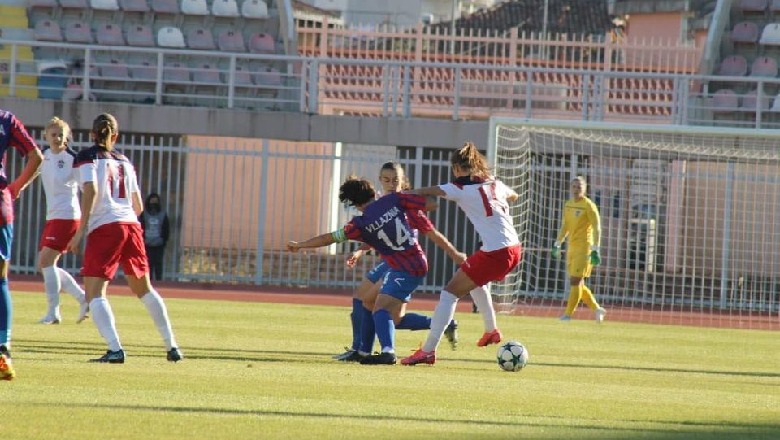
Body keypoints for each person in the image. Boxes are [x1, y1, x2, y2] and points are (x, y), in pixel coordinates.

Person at [67, 113, 182, 364]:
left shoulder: (86, 157)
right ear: (115, 136)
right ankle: (172, 345)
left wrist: (80, 230)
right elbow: (138, 205)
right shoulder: (125, 161)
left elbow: (91, 190)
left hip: (106, 227)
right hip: (131, 224)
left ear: (92, 134)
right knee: (145, 290)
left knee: (94, 294)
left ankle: (115, 349)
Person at [288, 175, 436, 365]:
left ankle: (388, 352)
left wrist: (301, 245)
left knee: (381, 309)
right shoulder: (393, 200)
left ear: (354, 204)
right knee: (368, 301)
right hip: (411, 262)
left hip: (405, 267)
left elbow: (329, 238)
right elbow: (431, 204)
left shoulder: (359, 224)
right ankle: (364, 351)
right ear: (373, 192)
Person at [401, 142, 522, 366]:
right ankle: (491, 330)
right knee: (472, 279)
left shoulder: (460, 188)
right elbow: (513, 195)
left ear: (457, 168)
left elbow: (432, 191)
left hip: (497, 251)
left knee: (449, 293)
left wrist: (406, 194)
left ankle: (428, 351)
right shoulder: (496, 184)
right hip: (514, 248)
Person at [333, 162, 464, 362]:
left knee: (380, 308)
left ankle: (364, 349)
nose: (391, 183)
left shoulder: (404, 202)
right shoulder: (382, 201)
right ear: (380, 181)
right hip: (391, 261)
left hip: (402, 263)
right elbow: (374, 233)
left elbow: (426, 231)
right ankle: (360, 349)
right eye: (386, 180)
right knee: (368, 301)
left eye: (396, 180)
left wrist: (454, 253)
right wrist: (360, 251)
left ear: (403, 181)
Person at [0, 109, 45, 381]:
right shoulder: (6, 119)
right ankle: (3, 349)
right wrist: (15, 188)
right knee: (0, 280)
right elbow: (36, 156)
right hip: (1, 206)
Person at [37, 117, 90, 325]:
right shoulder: (44, 156)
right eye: (54, 134)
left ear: (66, 136)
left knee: (45, 262)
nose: (58, 138)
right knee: (44, 265)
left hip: (67, 216)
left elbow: (86, 189)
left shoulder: (72, 158)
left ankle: (53, 313)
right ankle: (82, 298)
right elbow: (35, 172)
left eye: (61, 134)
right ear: (46, 136)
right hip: (53, 216)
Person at [551, 176, 607, 323]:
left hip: (585, 248)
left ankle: (568, 315)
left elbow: (597, 228)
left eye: (579, 187)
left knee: (575, 281)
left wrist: (596, 249)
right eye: (574, 186)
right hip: (572, 248)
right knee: (578, 283)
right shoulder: (568, 204)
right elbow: (565, 225)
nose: (576, 190)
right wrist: (558, 243)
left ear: (585, 189)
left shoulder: (589, 205)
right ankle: (597, 309)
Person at [138, 192, 169, 281]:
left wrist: (164, 241)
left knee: (158, 265)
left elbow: (166, 229)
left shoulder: (163, 215)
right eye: (152, 202)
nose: (153, 205)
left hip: (159, 245)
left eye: (155, 202)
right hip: (146, 244)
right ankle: (148, 281)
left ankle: (159, 282)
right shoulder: (144, 215)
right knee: (148, 264)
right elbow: (140, 228)